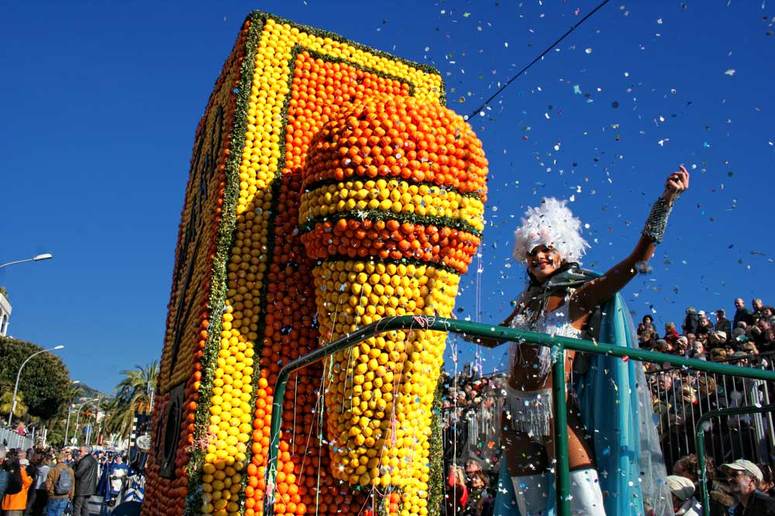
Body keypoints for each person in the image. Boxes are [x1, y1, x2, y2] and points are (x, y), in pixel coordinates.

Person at [470, 167, 689, 515]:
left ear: (563, 251)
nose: (539, 255)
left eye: (547, 249)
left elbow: (635, 263)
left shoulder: (580, 295)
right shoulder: (525, 303)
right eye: (533, 251)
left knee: (587, 506)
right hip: (515, 413)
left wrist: (666, 202)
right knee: (531, 509)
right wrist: (436, 319)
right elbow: (492, 339)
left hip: (556, 408)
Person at [2, 449, 34, 515]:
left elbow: (27, 482)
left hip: (13, 505)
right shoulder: (16, 472)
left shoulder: (26, 476)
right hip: (14, 505)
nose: (25, 467)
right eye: (24, 465)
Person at [45, 451, 75, 516]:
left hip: (54, 495)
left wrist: (49, 493)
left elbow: (48, 484)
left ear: (57, 460)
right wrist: (71, 496)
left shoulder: (53, 470)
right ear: (65, 459)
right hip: (65, 495)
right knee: (60, 513)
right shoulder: (70, 470)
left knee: (51, 513)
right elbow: (72, 485)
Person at [72, 446, 97, 516]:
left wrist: (75, 465)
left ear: (86, 452)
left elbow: (78, 474)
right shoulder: (92, 459)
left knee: (77, 507)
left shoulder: (85, 460)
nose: (79, 452)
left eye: (80, 451)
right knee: (84, 507)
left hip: (82, 487)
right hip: (88, 487)